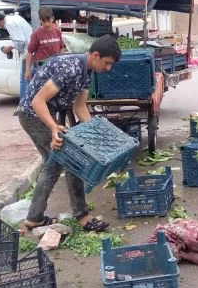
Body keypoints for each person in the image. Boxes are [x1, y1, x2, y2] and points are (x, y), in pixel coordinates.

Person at [18, 35, 122, 232]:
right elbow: (37, 102)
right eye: (107, 63)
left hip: (45, 115)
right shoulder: (71, 68)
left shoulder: (87, 72)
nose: (108, 68)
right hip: (33, 115)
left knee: (54, 164)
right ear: (96, 55)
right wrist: (53, 127)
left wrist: (97, 133)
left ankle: (34, 218)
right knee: (71, 159)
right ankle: (81, 216)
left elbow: (80, 107)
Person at [25, 6, 66, 82]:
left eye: (49, 20)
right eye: (44, 21)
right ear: (40, 20)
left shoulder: (57, 32)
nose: (47, 24)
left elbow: (61, 48)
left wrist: (61, 62)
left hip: (54, 67)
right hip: (40, 68)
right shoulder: (36, 34)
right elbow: (29, 52)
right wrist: (27, 70)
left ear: (52, 18)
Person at [0, 11, 33, 98]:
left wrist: (8, 48)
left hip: (27, 52)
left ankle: (23, 106)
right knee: (31, 79)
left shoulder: (9, 24)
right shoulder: (16, 17)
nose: (1, 27)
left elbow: (20, 41)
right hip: (33, 50)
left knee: (24, 80)